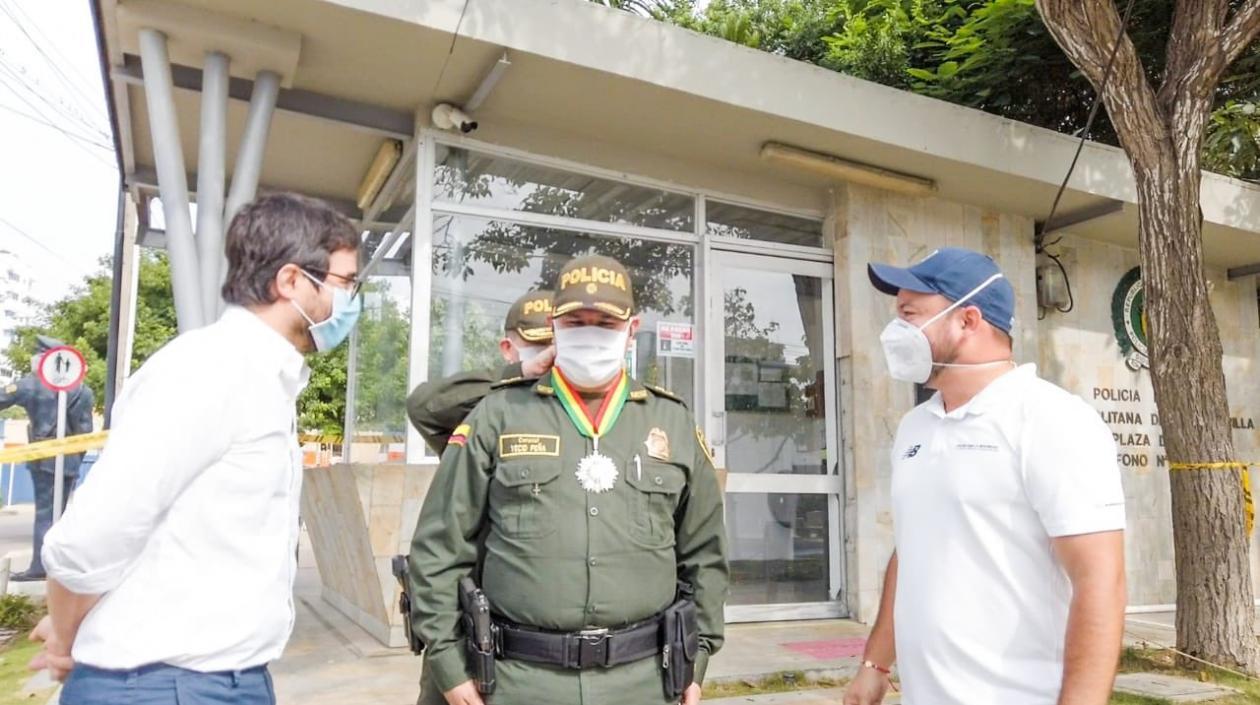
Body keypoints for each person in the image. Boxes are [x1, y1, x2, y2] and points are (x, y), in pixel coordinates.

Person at [29, 193, 362, 705]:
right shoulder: (211, 373)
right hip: (166, 686)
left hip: (213, 680)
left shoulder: (261, 380)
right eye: (345, 283)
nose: (351, 301)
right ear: (291, 281)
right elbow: (88, 542)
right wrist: (68, 642)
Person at [408, 254, 728, 705]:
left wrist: (698, 659)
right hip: (516, 681)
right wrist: (448, 665)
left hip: (643, 683)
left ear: (631, 329)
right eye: (576, 321)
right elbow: (439, 549)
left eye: (606, 322)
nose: (590, 333)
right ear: (554, 327)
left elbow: (705, 556)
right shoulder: (499, 414)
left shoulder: (671, 422)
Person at [842, 247, 1127, 705]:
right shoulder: (917, 425)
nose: (895, 331)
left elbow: (1101, 582)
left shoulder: (1051, 419)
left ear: (968, 320)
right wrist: (876, 663)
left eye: (909, 314)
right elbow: (913, 549)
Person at [407, 290, 556, 454]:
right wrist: (520, 373)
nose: (550, 353)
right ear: (507, 349)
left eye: (557, 344)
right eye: (540, 344)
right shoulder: (487, 403)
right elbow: (421, 406)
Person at [0, 335, 95, 582]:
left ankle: (40, 567)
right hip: (70, 460)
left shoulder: (31, 384)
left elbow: (2, 398)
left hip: (42, 459)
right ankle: (56, 566)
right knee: (60, 514)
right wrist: (75, 457)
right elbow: (85, 431)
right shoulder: (83, 390)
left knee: (44, 513)